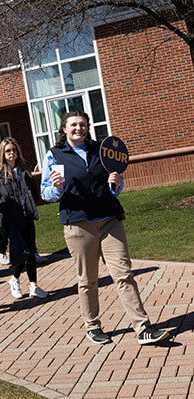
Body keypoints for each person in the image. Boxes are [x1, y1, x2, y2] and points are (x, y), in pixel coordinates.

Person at [41, 110, 169, 345]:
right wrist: (57, 188)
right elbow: (46, 192)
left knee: (124, 273)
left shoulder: (101, 150)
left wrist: (116, 185)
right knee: (88, 280)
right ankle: (93, 326)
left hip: (109, 220)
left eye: (82, 124)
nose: (78, 128)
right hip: (78, 225)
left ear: (87, 127)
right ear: (64, 129)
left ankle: (142, 328)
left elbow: (115, 183)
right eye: (73, 125)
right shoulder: (55, 155)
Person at [0, 138, 48, 299]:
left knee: (31, 250)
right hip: (12, 219)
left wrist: (32, 200)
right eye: (8, 151)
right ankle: (15, 279)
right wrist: (5, 205)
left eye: (13, 150)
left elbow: (34, 189)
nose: (11, 153)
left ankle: (34, 285)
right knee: (22, 252)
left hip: (27, 215)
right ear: (2, 153)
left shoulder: (23, 169)